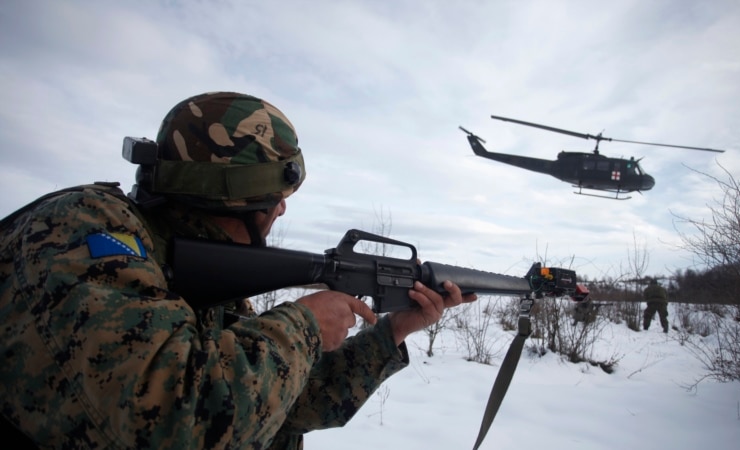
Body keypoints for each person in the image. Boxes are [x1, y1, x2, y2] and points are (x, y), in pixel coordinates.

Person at [0, 92, 478, 449]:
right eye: (275, 202)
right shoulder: (81, 229)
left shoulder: (190, 268)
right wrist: (305, 324)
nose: (280, 215)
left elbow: (286, 403)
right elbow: (178, 416)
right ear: (230, 201)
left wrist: (392, 331)